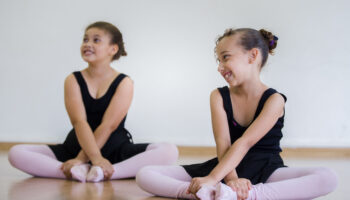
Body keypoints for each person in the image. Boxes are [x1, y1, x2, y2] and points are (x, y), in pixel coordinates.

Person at [136, 28, 338, 200]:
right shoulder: (218, 96)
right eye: (218, 60)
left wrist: (218, 180)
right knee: (145, 174)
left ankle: (249, 194)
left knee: (327, 177)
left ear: (252, 56)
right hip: (224, 167)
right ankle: (209, 193)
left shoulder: (274, 100)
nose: (220, 67)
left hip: (265, 169)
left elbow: (245, 142)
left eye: (226, 58)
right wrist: (229, 179)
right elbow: (223, 143)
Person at [8, 21, 178, 183]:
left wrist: (93, 159)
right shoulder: (73, 79)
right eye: (85, 39)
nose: (88, 44)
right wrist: (82, 158)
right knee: (16, 153)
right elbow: (79, 121)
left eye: (96, 40)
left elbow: (108, 125)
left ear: (113, 48)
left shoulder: (124, 82)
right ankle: (77, 170)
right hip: (76, 147)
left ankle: (106, 172)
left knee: (169, 151)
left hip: (115, 149)